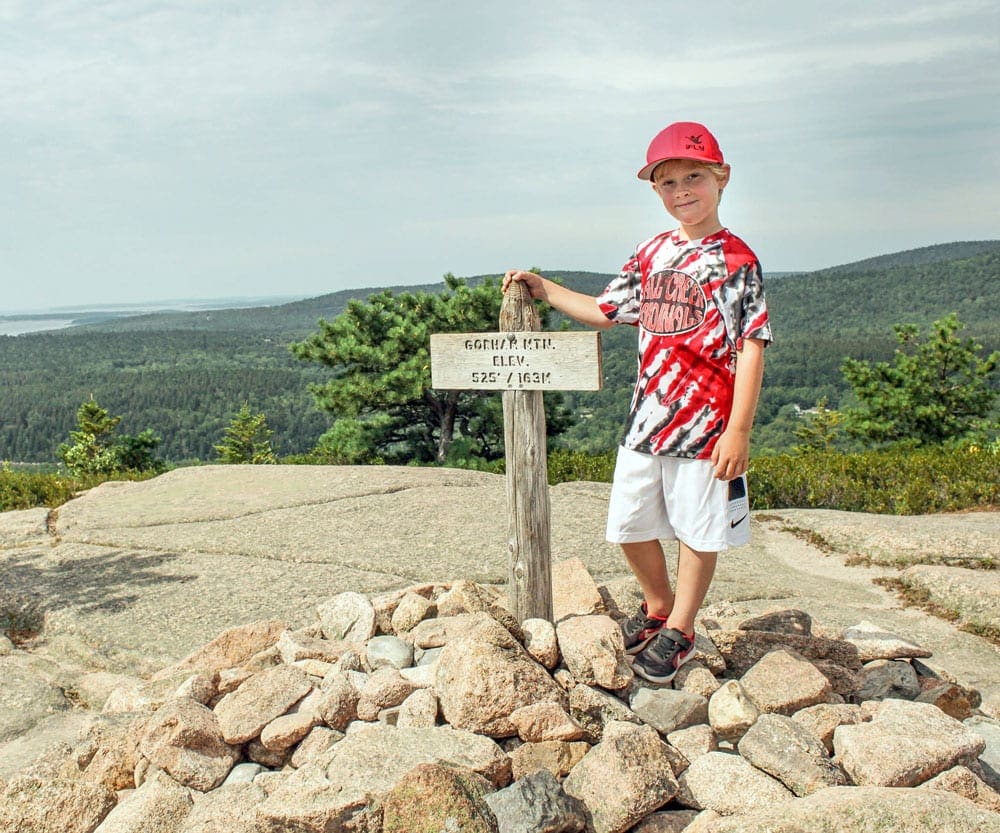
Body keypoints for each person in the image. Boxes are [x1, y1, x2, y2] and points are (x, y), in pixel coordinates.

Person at [503, 121, 772, 684]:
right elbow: (607, 310)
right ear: (655, 190)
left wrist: (739, 430)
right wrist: (545, 289)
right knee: (628, 523)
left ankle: (681, 627)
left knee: (700, 530)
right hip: (647, 419)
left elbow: (751, 346)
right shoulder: (652, 252)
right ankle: (657, 605)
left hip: (706, 424)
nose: (681, 191)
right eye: (668, 182)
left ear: (721, 177)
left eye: (693, 177)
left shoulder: (736, 260)